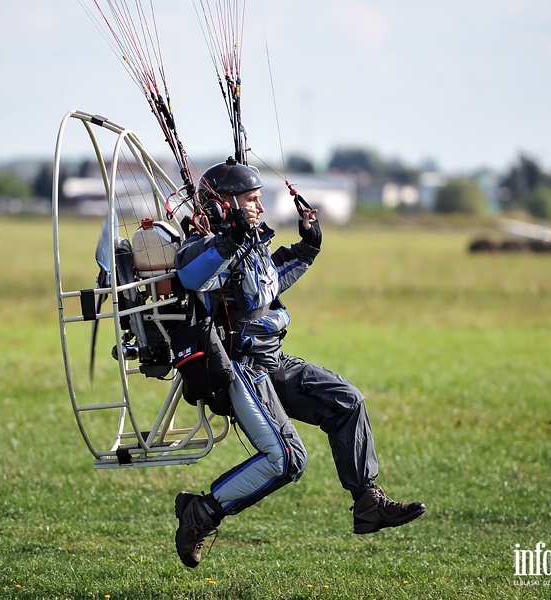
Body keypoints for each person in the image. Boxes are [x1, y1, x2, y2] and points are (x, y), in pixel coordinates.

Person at [172, 158, 425, 568]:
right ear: (226, 204)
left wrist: (309, 246)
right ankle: (200, 513)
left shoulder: (251, 243)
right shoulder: (204, 246)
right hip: (241, 370)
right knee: (287, 459)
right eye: (252, 200)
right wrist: (229, 239)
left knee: (347, 400)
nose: (261, 208)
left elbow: (271, 279)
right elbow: (190, 276)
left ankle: (367, 502)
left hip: (274, 362)